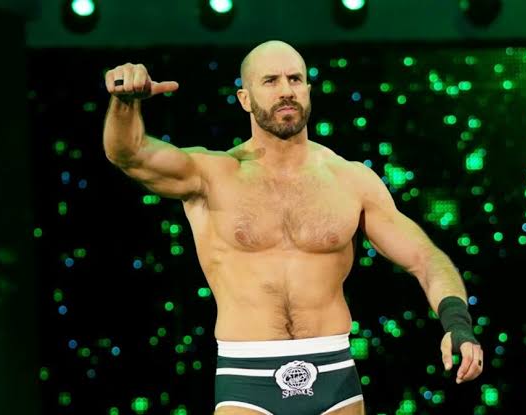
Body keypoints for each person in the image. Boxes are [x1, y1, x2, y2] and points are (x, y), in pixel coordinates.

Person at [102, 40, 483, 415]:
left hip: (334, 375)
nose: (286, 90)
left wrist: (458, 325)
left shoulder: (351, 180)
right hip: (247, 376)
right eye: (270, 81)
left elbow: (425, 258)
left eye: (295, 79)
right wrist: (125, 102)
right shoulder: (211, 174)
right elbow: (128, 154)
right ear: (244, 99)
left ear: (308, 90)